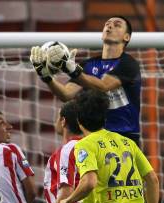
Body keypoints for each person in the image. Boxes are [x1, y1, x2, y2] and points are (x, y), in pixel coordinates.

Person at [31, 16, 142, 146]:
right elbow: (66, 94)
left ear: (126, 37)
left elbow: (103, 86)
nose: (110, 26)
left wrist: (73, 71)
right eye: (107, 24)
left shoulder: (128, 64)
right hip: (95, 139)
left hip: (124, 139)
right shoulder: (88, 65)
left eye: (117, 25)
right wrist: (46, 77)